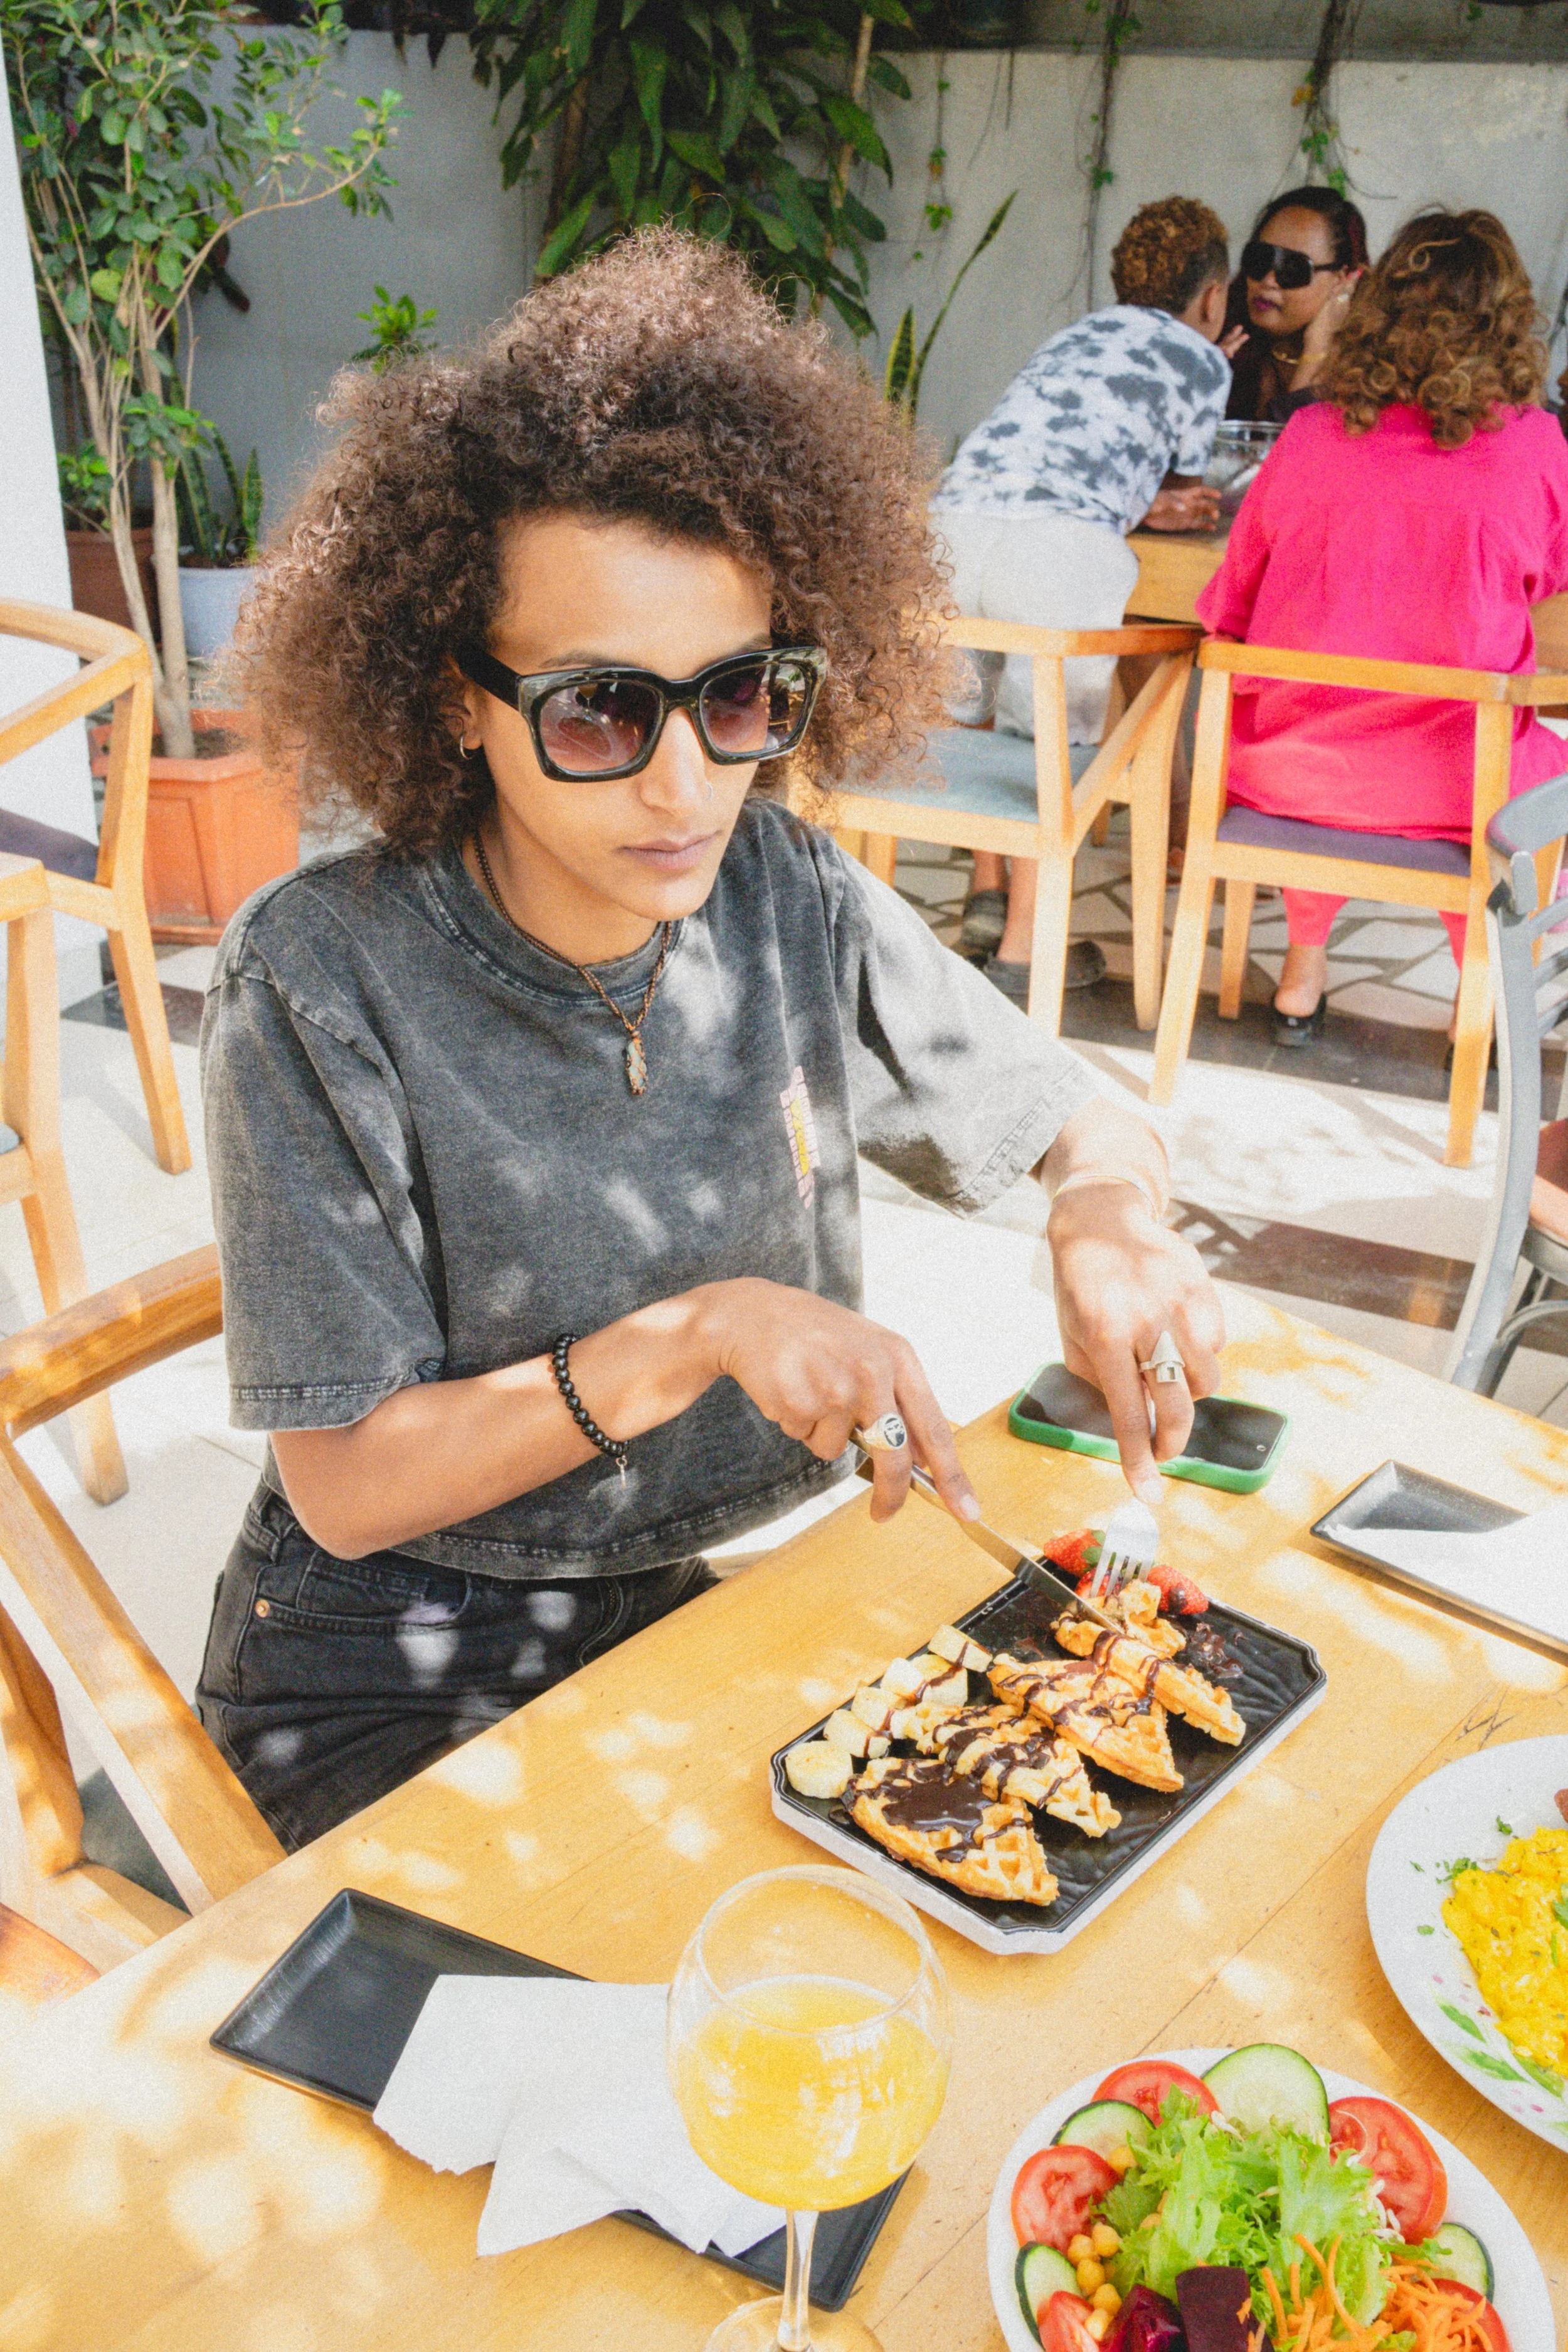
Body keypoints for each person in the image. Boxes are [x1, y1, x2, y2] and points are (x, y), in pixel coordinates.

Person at [196, 231, 1224, 1850]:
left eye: (737, 696)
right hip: (397, 1663)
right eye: (599, 710)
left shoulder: (781, 887)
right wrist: (695, 1331)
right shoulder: (322, 977)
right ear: (457, 697)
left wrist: (1105, 1216)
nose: (684, 787)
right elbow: (348, 1479)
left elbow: (1079, 1122)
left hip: (704, 1598)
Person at [1197, 208, 1568, 1046]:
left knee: (1322, 715)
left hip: (1287, 777)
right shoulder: (1536, 443)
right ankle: (1491, 997)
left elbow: (1227, 612)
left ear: (1377, 309)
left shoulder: (1312, 434)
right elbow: (1549, 573)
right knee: (1518, 763)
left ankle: (1301, 969)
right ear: (1507, 322)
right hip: (1454, 791)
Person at [930, 197, 1234, 1004]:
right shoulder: (1203, 359)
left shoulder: (1072, 336)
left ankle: (987, 903)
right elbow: (1186, 483)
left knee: (976, 724)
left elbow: (1053, 451)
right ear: (1212, 296)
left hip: (952, 528)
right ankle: (1028, 958)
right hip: (1057, 552)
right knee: (1051, 749)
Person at [1224, 185, 1369, 425]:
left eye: (1293, 269)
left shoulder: (1364, 374)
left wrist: (1317, 346)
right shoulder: (1224, 340)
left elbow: (1293, 457)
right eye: (1261, 259)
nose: (1269, 281)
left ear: (1341, 279)